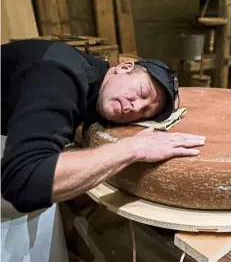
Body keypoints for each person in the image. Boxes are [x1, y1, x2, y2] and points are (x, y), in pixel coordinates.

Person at [1, 39, 206, 214]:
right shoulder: (58, 75)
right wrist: (133, 148)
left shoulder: (97, 78)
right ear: (125, 67)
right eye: (143, 93)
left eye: (145, 112)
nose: (137, 106)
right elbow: (24, 182)